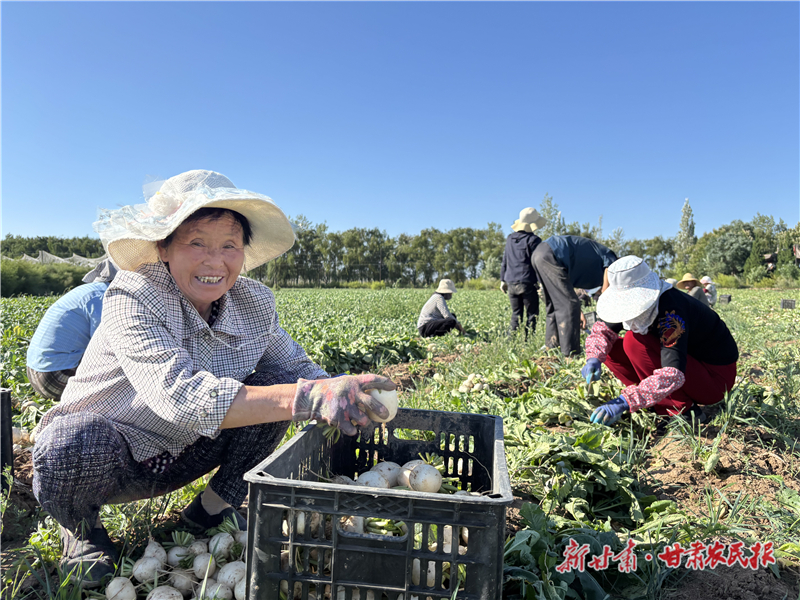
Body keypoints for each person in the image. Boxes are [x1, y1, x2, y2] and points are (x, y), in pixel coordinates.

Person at [31, 170, 396, 586]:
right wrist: (308, 397)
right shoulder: (133, 295)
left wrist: (348, 391)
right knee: (69, 441)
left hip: (189, 450)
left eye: (229, 246)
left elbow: (296, 369)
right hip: (115, 454)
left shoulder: (254, 303)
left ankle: (211, 508)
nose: (214, 261)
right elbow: (179, 398)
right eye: (196, 243)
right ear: (164, 247)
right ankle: (82, 530)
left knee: (277, 380)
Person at [581, 256, 738, 426]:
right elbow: (602, 331)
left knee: (634, 341)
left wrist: (626, 401)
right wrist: (593, 358)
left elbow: (672, 373)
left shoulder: (671, 310)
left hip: (714, 379)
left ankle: (682, 412)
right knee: (608, 348)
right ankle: (655, 401)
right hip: (690, 368)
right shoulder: (634, 307)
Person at [26, 258, 118, 400]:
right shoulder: (103, 297)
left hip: (35, 372)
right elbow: (106, 348)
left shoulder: (91, 291)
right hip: (53, 376)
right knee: (120, 369)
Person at [531, 235, 617, 357]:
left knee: (554, 306)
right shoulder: (613, 260)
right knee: (569, 306)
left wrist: (578, 312)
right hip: (552, 253)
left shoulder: (591, 265)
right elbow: (606, 291)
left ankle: (551, 350)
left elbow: (566, 291)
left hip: (540, 253)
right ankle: (571, 355)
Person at [499, 208, 544, 340]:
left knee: (516, 314)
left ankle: (510, 340)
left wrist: (503, 280)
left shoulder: (510, 239)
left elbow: (505, 260)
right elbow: (538, 263)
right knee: (532, 314)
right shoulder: (534, 240)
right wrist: (541, 282)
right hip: (527, 282)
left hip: (511, 282)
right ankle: (528, 341)